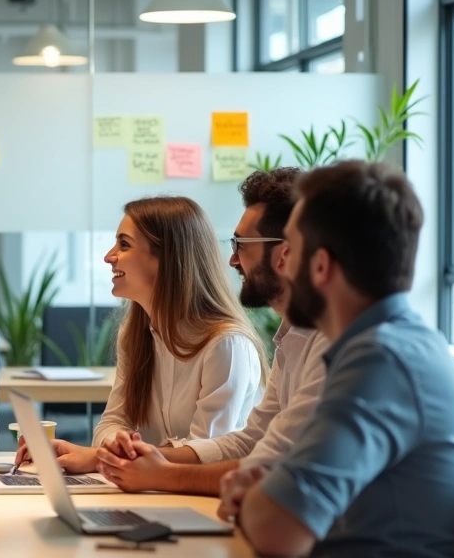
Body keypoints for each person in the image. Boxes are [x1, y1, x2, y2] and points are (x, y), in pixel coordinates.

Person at [219, 161, 454, 558]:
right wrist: (262, 489)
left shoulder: (382, 359)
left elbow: (276, 530)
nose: (284, 265)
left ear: (320, 266)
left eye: (292, 251)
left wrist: (257, 493)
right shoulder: (384, 345)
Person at [96, 168, 329, 495]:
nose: (232, 260)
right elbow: (252, 443)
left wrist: (143, 469)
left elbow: (277, 465)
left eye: (241, 244)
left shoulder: (325, 346)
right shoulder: (294, 339)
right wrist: (118, 457)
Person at [16, 196, 267, 473]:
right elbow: (111, 423)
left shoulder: (226, 345)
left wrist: (101, 457)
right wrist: (116, 447)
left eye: (124, 244)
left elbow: (205, 453)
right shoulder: (135, 335)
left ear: (168, 258)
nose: (109, 256)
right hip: (150, 492)